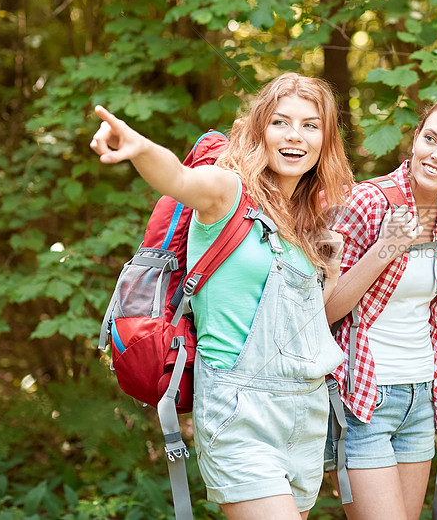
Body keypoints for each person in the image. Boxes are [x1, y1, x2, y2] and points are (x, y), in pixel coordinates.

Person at [90, 73, 354, 520]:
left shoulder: (308, 221)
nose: (295, 136)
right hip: (240, 413)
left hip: (306, 413)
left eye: (311, 125)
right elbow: (176, 177)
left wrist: (328, 268)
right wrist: (139, 147)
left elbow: (312, 323)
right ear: (259, 130)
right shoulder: (226, 193)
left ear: (325, 139)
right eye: (281, 122)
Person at [324, 96, 437, 520]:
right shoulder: (365, 202)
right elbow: (323, 311)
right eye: (431, 139)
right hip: (364, 397)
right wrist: (385, 249)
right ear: (416, 138)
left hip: (423, 395)